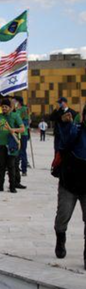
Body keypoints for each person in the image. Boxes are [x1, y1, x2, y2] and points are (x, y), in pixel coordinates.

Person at [53, 106, 86, 269]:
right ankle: (60, 238)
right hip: (69, 182)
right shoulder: (76, 130)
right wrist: (64, 124)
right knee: (62, 216)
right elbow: (64, 142)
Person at [0, 98, 24, 193]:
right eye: (3, 107)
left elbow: (22, 129)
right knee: (1, 165)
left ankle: (12, 186)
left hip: (12, 144)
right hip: (0, 144)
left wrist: (13, 130)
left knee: (11, 165)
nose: (4, 108)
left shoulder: (15, 116)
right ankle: (0, 185)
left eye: (6, 107)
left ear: (9, 107)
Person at [14, 96, 30, 177]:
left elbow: (26, 121)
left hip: (23, 134)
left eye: (14, 100)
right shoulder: (14, 109)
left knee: (22, 151)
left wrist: (18, 123)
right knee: (16, 152)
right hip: (15, 133)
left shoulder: (24, 109)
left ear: (18, 101)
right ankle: (15, 169)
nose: (13, 101)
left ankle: (24, 170)